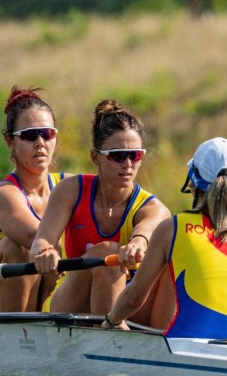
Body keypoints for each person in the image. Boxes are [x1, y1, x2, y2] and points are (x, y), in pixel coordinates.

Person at [102, 137, 227, 338]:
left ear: (192, 180)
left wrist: (111, 321)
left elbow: (133, 299)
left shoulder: (171, 228)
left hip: (185, 343)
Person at [31, 99, 174, 328]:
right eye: (117, 155)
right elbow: (41, 242)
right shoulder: (70, 190)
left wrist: (137, 243)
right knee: (109, 254)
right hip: (70, 303)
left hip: (126, 305)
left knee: (171, 261)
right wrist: (45, 252)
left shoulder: (153, 208)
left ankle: (164, 345)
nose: (127, 164)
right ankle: (113, 346)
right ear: (95, 157)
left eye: (134, 155)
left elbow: (144, 232)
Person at [0, 86, 69, 313]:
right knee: (20, 247)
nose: (40, 142)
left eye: (47, 133)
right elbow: (35, 237)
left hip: (48, 282)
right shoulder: (4, 194)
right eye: (30, 135)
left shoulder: (69, 185)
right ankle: (20, 331)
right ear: (9, 141)